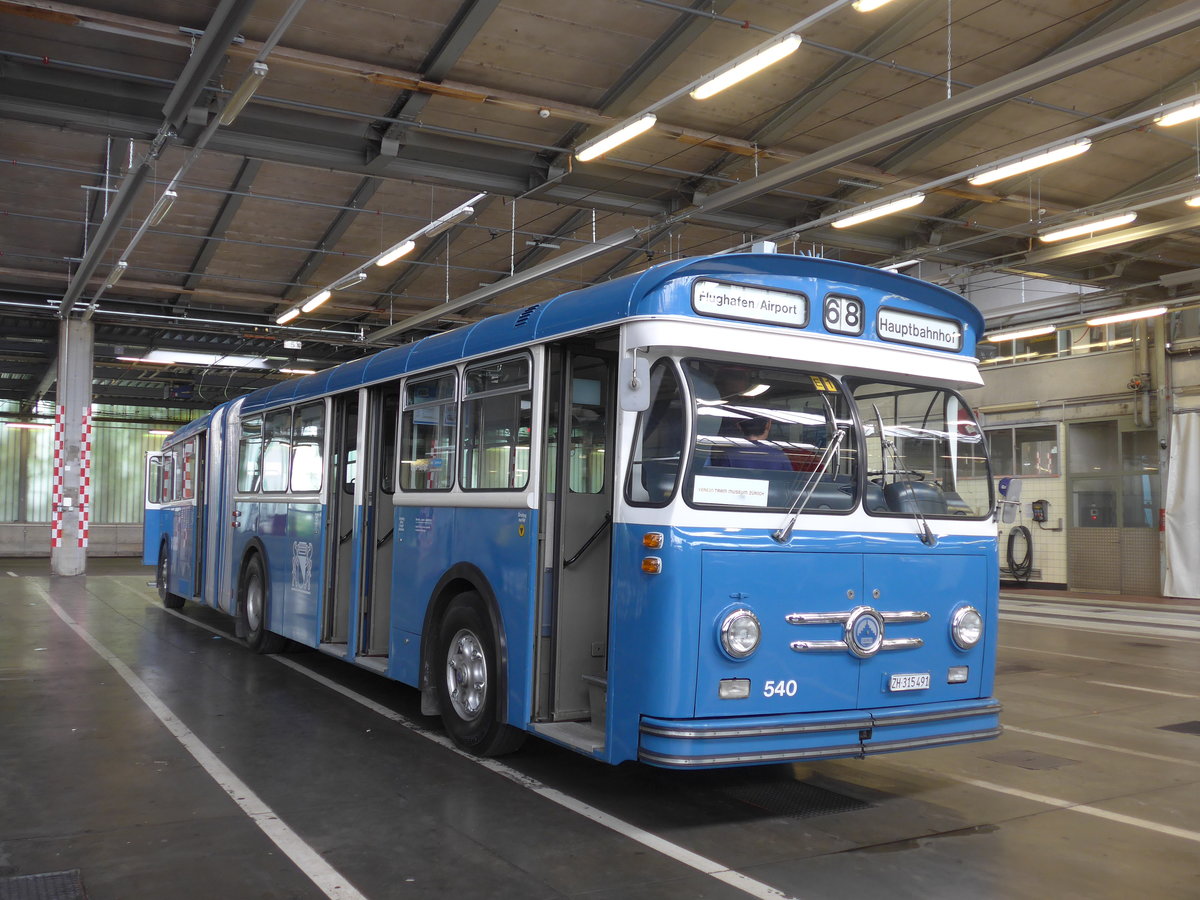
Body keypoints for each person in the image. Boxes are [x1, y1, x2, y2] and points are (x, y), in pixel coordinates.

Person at [715, 416, 792, 470]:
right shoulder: (779, 456)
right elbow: (788, 485)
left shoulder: (728, 454)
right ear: (768, 425)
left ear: (739, 426)